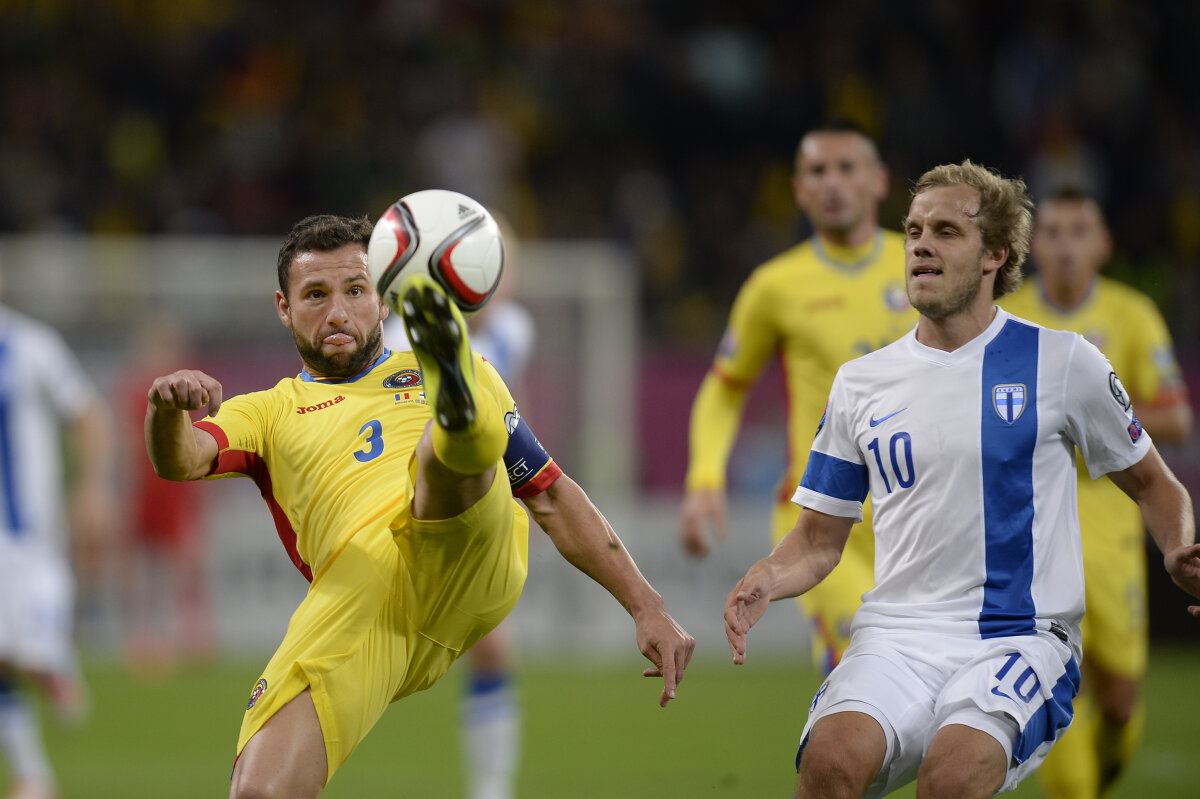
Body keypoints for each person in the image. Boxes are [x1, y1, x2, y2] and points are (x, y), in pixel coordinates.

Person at [144, 214, 694, 798]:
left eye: (356, 290)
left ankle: (459, 417)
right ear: (284, 307)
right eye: (316, 295)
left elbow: (552, 494)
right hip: (361, 602)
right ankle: (460, 420)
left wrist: (646, 605)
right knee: (258, 791)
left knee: (440, 450)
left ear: (384, 299)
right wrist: (166, 410)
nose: (338, 312)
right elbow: (181, 460)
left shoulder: (464, 371)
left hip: (465, 553)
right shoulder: (268, 411)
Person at [723, 160, 1200, 799]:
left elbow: (1153, 484)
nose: (921, 244)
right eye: (914, 230)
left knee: (951, 778)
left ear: (995, 254)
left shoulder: (1063, 362)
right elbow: (817, 539)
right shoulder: (861, 382)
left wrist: (1176, 548)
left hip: (1022, 637)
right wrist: (766, 577)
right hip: (897, 636)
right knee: (828, 765)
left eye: (946, 231)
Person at [679, 118, 916, 672]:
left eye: (846, 168)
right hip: (823, 512)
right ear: (799, 189)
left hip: (920, 511)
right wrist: (704, 478)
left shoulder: (922, 266)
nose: (832, 182)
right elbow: (725, 388)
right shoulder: (775, 287)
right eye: (817, 171)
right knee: (868, 664)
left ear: (879, 181)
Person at [1000, 187, 1194, 799]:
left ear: (1103, 244)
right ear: (1033, 245)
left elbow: (1175, 417)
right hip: (1031, 540)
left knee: (1118, 700)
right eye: (1053, 232)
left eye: (1079, 231)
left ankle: (1104, 767)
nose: (1065, 246)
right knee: (1056, 685)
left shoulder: (1132, 315)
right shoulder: (1006, 316)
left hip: (1111, 541)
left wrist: (1089, 417)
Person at [383, 216, 535, 799]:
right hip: (403, 501)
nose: (503, 282)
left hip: (475, 502)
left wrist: (523, 487)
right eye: (493, 267)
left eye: (507, 268)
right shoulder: (399, 336)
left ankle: (491, 786)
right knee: (376, 655)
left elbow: (511, 413)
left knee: (491, 643)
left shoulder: (514, 330)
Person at [0, 288, 115, 799]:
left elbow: (88, 414)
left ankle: (54, 659)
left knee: (24, 658)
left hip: (30, 538)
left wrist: (93, 487)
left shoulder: (29, 346)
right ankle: (34, 776)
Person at [118, 314, 214, 674]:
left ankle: (190, 633)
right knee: (140, 568)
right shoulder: (136, 388)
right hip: (146, 489)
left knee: (184, 564)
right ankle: (143, 636)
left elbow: (203, 437)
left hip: (178, 489)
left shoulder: (191, 390)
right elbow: (129, 443)